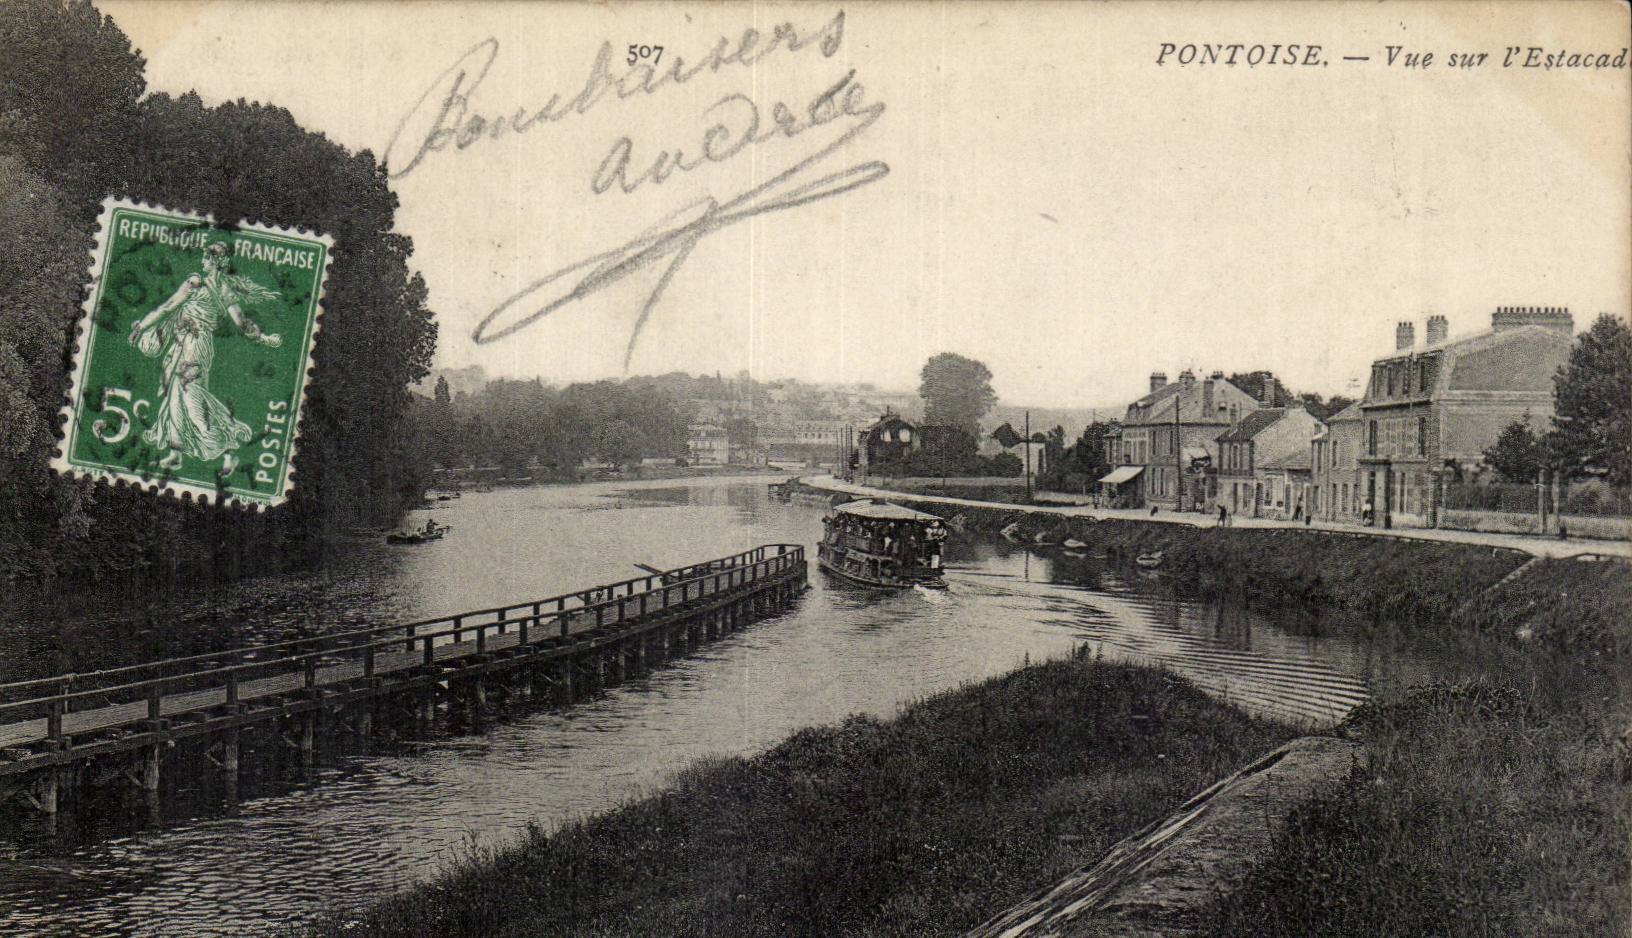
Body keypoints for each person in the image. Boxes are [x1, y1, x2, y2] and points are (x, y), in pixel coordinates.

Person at [128, 241, 282, 474]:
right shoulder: (216, 288)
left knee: (192, 399)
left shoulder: (204, 285)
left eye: (207, 258)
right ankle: (175, 455)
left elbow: (169, 307)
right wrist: (143, 324)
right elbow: (169, 307)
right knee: (175, 399)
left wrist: (264, 339)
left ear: (217, 261)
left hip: (196, 345)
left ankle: (229, 450)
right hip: (186, 344)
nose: (202, 262)